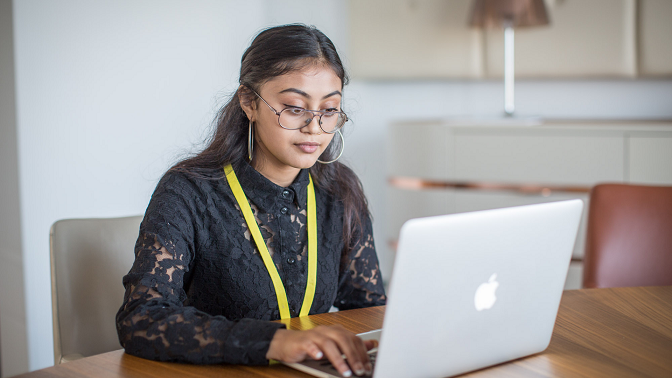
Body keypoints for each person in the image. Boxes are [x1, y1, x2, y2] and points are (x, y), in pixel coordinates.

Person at [115, 24, 386, 378]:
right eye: (293, 107)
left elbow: (369, 309)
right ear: (248, 102)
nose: (314, 127)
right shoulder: (187, 191)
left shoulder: (340, 191)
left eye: (330, 109)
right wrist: (274, 341)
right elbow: (140, 319)